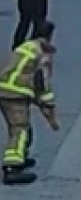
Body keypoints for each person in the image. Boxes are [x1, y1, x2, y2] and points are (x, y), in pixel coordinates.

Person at [0, 21, 59, 186]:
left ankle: (21, 157)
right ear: (49, 36)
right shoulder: (41, 55)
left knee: (20, 128)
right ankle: (12, 168)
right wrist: (48, 106)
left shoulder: (25, 46)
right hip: (15, 95)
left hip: (4, 90)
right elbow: (42, 83)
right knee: (20, 130)